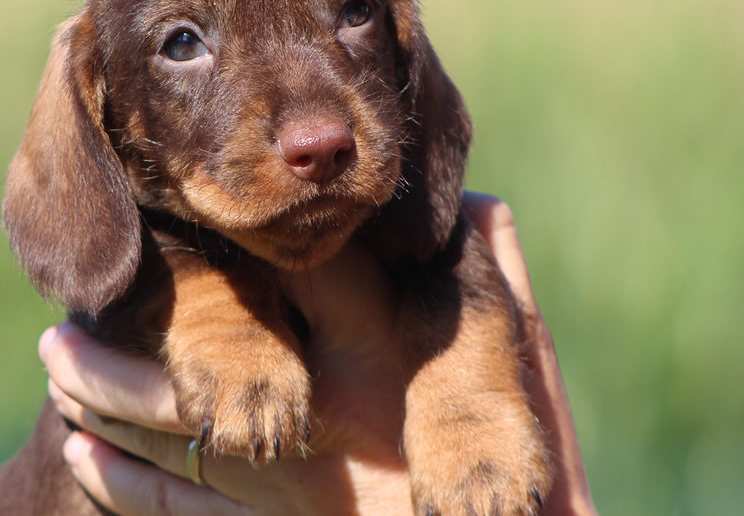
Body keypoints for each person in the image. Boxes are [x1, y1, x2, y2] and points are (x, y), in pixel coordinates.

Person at [38, 193, 598, 515]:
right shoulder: (140, 230)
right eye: (184, 43)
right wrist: (220, 316)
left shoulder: (408, 210)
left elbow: (446, 252)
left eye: (353, 13)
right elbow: (111, 276)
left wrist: (461, 415)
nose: (313, 133)